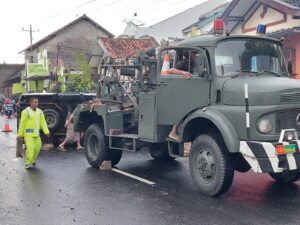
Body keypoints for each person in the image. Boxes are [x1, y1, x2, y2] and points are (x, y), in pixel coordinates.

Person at [167, 50, 193, 140]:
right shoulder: (185, 62)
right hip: (182, 89)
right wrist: (183, 72)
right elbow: (171, 70)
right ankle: (173, 132)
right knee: (181, 109)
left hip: (190, 89)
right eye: (193, 53)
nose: (195, 55)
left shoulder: (196, 62)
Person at [18, 97, 50, 169]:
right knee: (31, 148)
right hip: (28, 134)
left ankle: (32, 160)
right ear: (31, 103)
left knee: (38, 148)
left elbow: (43, 123)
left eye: (37, 102)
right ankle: (27, 163)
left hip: (36, 134)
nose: (36, 104)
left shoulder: (40, 112)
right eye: (35, 102)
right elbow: (22, 124)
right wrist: (20, 135)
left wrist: (46, 131)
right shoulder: (25, 112)